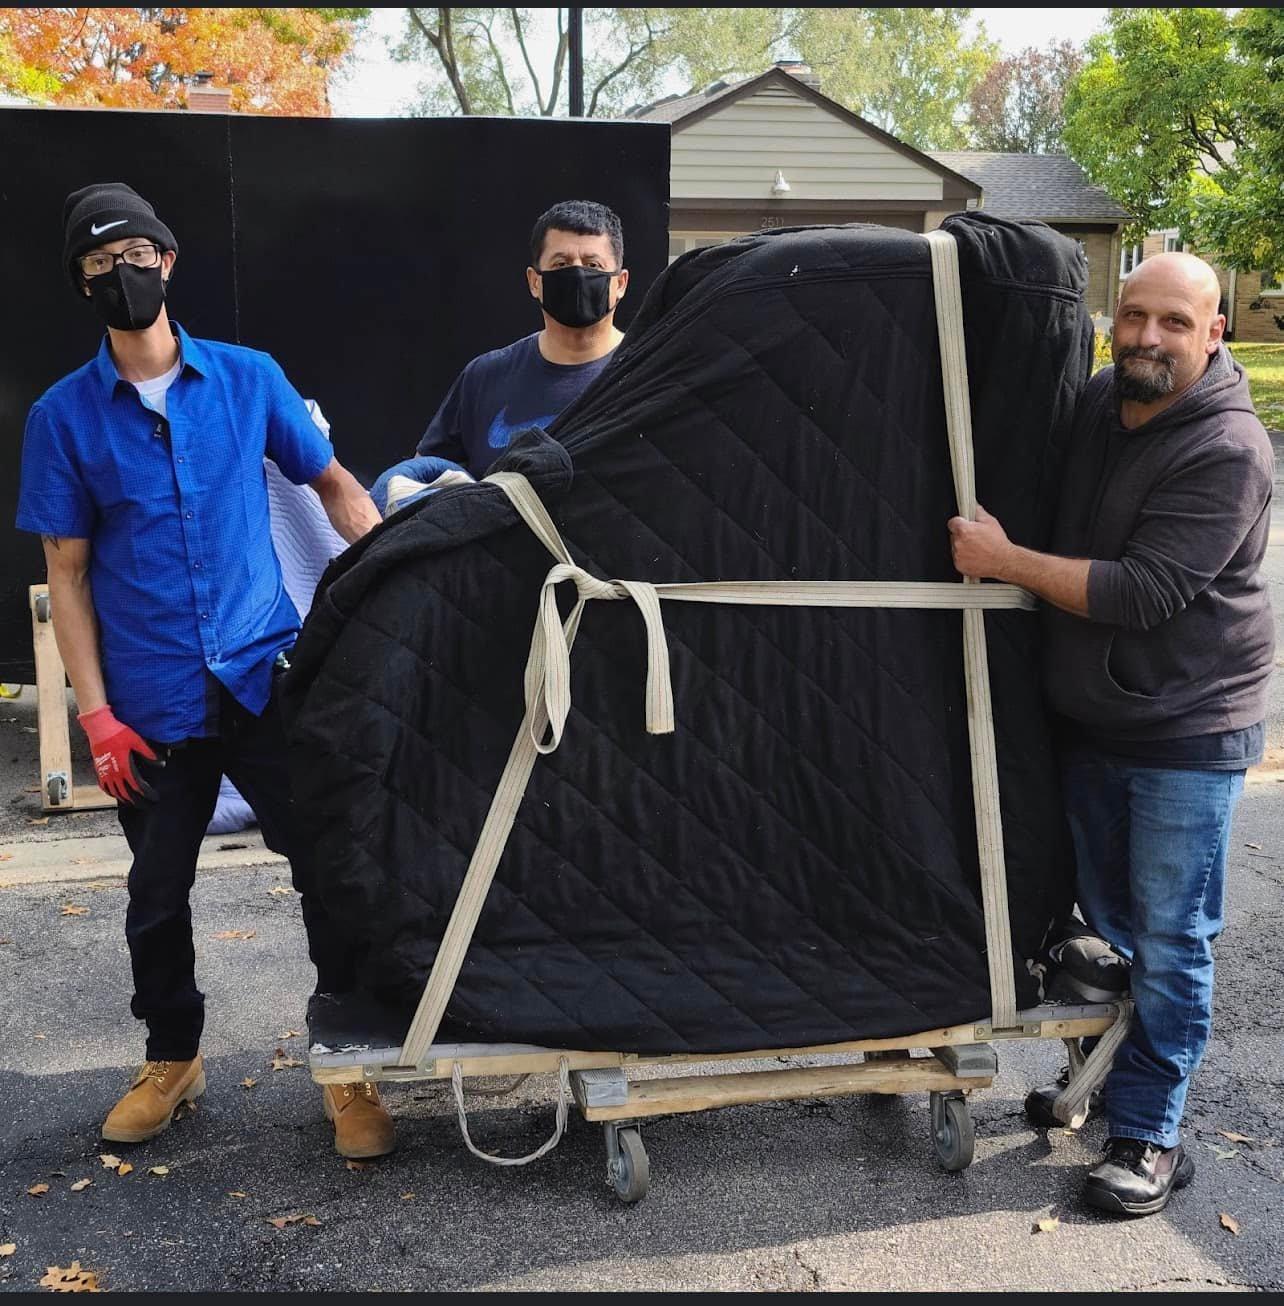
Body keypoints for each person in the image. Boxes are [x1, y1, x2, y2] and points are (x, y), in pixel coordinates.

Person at [15, 182, 394, 1160]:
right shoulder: (63, 419)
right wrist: (95, 717)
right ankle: (173, 1058)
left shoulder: (247, 379)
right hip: (150, 703)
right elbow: (67, 576)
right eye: (101, 264)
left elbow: (334, 486)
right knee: (156, 895)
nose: (123, 274)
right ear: (83, 284)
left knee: (328, 870)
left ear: (169, 261)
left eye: (137, 255)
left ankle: (347, 1061)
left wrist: (396, 577)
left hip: (266, 677)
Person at [948, 252, 1274, 1218]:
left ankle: (1151, 1134)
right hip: (1094, 715)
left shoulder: (1229, 448)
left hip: (1185, 726)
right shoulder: (1101, 400)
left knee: (1170, 939)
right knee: (1107, 925)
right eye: (1133, 316)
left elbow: (1143, 592)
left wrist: (1005, 560)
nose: (1147, 337)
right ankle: (1101, 1079)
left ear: (1214, 333)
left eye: (1173, 322)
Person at [370, 199, 629, 514]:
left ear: (620, 283)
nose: (577, 274)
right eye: (561, 264)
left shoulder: (645, 374)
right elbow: (421, 482)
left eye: (593, 265)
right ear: (535, 282)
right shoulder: (486, 376)